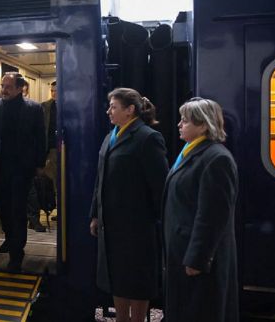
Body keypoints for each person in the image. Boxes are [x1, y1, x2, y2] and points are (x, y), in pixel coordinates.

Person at [89, 87, 168, 322]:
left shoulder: (148, 138)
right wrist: (95, 214)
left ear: (130, 110)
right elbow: (100, 179)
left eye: (113, 107)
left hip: (136, 227)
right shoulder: (110, 136)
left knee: (137, 280)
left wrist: (154, 220)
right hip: (110, 224)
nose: (108, 111)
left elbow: (160, 186)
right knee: (117, 277)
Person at [162, 97, 238, 322]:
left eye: (185, 121)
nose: (179, 124)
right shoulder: (192, 152)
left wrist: (197, 258)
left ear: (203, 125)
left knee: (199, 310)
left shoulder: (216, 159)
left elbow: (212, 217)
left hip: (198, 259)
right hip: (182, 250)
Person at [0, 72, 46, 272]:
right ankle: (10, 238)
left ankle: (17, 254)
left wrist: (40, 164)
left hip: (22, 168)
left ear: (20, 88)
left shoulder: (34, 109)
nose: (4, 90)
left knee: (17, 210)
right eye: (3, 86)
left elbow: (40, 137)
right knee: (3, 209)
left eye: (8, 86)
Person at [42, 81, 57, 221]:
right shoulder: (45, 106)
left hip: (63, 148)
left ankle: (62, 210)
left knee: (61, 181)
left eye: (56, 90)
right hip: (50, 148)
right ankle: (53, 207)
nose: (53, 93)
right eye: (52, 90)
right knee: (51, 179)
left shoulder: (68, 105)